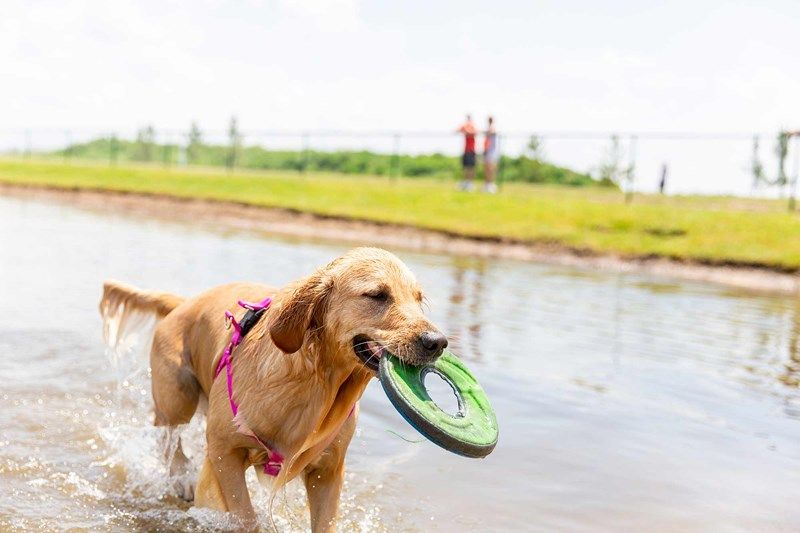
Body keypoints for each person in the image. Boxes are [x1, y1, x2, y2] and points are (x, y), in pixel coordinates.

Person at [457, 115, 477, 191]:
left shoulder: (473, 126)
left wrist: (466, 130)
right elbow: (458, 130)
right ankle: (465, 182)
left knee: (471, 167)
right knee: (465, 167)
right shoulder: (465, 125)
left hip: (471, 150)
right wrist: (465, 129)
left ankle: (470, 183)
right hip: (465, 150)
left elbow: (474, 132)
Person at [483, 116, 499, 193]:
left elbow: (491, 132)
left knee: (491, 168)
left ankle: (491, 184)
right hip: (487, 150)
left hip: (491, 151)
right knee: (487, 168)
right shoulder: (488, 128)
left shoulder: (492, 128)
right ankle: (487, 184)